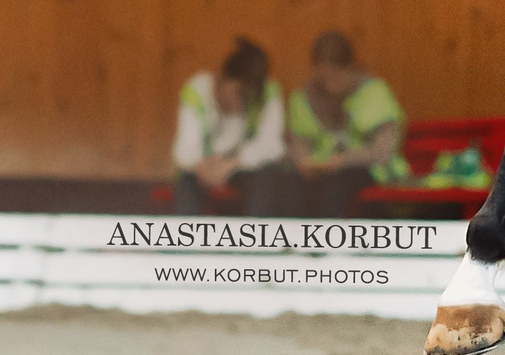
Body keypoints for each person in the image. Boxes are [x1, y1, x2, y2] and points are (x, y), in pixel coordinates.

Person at [285, 31, 409, 217]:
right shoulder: (304, 98)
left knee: (341, 184)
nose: (328, 85)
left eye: (334, 77)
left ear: (350, 68)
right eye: (322, 78)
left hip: (368, 173)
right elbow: (298, 144)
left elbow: (383, 151)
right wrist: (304, 162)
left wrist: (342, 161)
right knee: (282, 183)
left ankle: (325, 240)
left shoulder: (374, 93)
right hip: (317, 175)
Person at [170, 37, 290, 215]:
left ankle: (257, 238)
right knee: (186, 181)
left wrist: (232, 164)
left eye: (248, 99)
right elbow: (184, 150)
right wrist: (204, 166)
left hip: (242, 168)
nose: (240, 105)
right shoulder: (196, 89)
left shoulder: (270, 94)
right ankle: (187, 239)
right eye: (238, 93)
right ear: (223, 79)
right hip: (203, 168)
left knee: (268, 176)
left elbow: (273, 146)